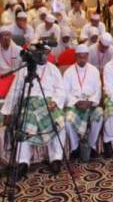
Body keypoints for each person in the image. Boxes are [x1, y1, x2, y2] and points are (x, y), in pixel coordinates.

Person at [2, 44, 66, 180]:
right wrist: (8, 112)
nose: (43, 56)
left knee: (59, 122)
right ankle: (23, 162)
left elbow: (61, 90)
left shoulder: (53, 69)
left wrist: (55, 101)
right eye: (40, 53)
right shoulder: (25, 70)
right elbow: (15, 90)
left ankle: (56, 159)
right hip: (29, 103)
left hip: (48, 104)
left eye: (46, 53)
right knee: (24, 124)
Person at [63, 44, 103, 160]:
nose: (82, 60)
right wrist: (76, 102)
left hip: (90, 104)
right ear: (76, 56)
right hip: (76, 105)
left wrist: (91, 102)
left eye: (85, 57)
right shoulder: (68, 72)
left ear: (88, 56)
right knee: (67, 119)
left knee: (99, 114)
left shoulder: (94, 71)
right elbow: (65, 92)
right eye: (80, 57)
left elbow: (98, 90)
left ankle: (91, 145)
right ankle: (75, 148)